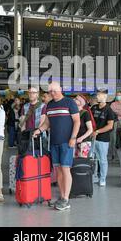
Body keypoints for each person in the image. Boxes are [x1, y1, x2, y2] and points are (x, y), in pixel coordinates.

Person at [33, 82, 80, 211]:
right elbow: (47, 122)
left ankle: (66, 199)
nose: (52, 93)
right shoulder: (50, 105)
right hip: (54, 142)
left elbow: (77, 121)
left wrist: (73, 138)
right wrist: (39, 130)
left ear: (60, 89)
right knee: (58, 170)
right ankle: (62, 196)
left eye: (54, 90)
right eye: (50, 91)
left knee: (65, 169)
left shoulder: (69, 102)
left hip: (67, 142)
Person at [91, 91, 115, 187]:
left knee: (102, 160)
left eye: (99, 95)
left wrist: (97, 131)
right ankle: (94, 176)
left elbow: (110, 126)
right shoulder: (94, 108)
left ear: (105, 97)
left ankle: (102, 179)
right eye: (97, 95)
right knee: (93, 159)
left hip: (103, 139)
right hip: (92, 137)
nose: (97, 96)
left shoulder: (109, 110)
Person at [109, 92, 121, 160]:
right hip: (114, 122)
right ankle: (113, 154)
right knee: (113, 138)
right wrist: (118, 112)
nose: (118, 97)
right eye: (117, 95)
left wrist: (116, 112)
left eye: (120, 95)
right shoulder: (112, 104)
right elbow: (111, 112)